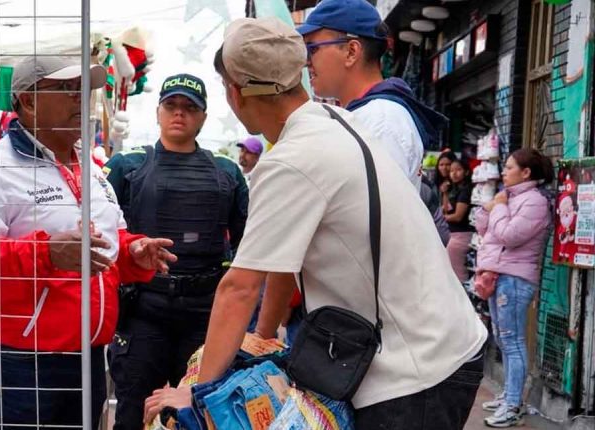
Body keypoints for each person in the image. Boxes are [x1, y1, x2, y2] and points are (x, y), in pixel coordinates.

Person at [195, 17, 488, 430]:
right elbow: (281, 260)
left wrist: (198, 395)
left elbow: (239, 287)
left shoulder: (290, 160)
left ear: (234, 91)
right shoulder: (338, 121)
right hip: (445, 342)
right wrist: (263, 336)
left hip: (414, 373)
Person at [0, 56, 176, 428]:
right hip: (17, 361)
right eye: (66, 89)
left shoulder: (88, 167)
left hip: (85, 356)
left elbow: (106, 240)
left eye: (82, 90)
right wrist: (47, 253)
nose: (79, 100)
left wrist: (134, 250)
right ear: (28, 101)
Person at [104, 73, 249, 430]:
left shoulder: (227, 172)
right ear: (158, 112)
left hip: (204, 315)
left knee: (200, 414)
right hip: (143, 312)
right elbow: (102, 234)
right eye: (171, 105)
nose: (179, 114)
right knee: (134, 412)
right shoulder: (127, 167)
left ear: (202, 116)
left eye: (189, 107)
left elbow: (248, 245)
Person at [298, 0, 448, 190]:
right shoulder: (369, 116)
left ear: (351, 52)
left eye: (312, 49)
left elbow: (381, 216)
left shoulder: (380, 122)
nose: (306, 62)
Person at [475, 149, 553, 428]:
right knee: (503, 339)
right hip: (499, 274)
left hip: (515, 279)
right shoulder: (511, 198)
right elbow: (485, 230)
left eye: (509, 167)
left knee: (513, 341)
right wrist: (492, 208)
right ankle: (508, 395)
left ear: (526, 172)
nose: (504, 172)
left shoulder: (534, 202)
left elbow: (510, 234)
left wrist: (497, 208)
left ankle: (513, 405)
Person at [443, 159, 475, 282]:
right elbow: (446, 210)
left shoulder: (466, 191)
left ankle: (463, 297)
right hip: (454, 234)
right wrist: (445, 193)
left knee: (457, 273)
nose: (454, 174)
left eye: (458, 170)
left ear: (466, 172)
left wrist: (444, 218)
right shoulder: (455, 190)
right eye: (451, 171)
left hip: (462, 235)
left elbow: (457, 216)